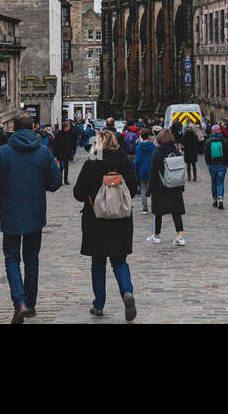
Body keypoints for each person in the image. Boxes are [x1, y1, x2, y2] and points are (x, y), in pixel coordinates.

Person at [0, 111, 62, 323]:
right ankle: (30, 303)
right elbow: (55, 183)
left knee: (11, 259)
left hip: (10, 212)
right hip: (35, 212)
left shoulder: (3, 152)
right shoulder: (43, 152)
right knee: (31, 259)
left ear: (14, 128)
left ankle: (20, 302)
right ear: (33, 127)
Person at [72, 128, 138, 320]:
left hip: (96, 220)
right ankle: (127, 292)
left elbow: (78, 194)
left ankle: (99, 304)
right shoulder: (125, 161)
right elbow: (133, 189)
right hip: (121, 219)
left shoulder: (92, 162)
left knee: (98, 262)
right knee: (119, 260)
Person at [146, 129, 186, 246]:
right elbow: (181, 170)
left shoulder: (157, 153)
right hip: (175, 186)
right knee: (176, 212)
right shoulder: (177, 152)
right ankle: (180, 235)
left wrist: (149, 190)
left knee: (158, 212)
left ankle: (156, 235)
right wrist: (181, 186)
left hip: (160, 187)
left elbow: (153, 173)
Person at [204, 124, 228, 208]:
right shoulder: (224, 141)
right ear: (219, 131)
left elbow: (206, 154)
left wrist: (208, 162)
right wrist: (227, 163)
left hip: (212, 165)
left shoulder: (209, 141)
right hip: (222, 164)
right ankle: (221, 199)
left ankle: (215, 200)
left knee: (213, 182)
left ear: (212, 131)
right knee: (220, 183)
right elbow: (227, 153)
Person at [133, 127, 156, 214]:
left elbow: (137, 161)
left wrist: (135, 170)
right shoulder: (153, 147)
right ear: (149, 136)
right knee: (153, 189)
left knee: (143, 189)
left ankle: (145, 206)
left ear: (141, 137)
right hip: (151, 170)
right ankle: (154, 206)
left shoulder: (138, 148)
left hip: (142, 170)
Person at [54, 120, 76, 185]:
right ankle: (59, 180)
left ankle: (66, 180)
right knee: (61, 167)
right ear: (65, 127)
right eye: (68, 126)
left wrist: (71, 151)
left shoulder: (69, 133)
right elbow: (56, 145)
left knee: (66, 167)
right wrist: (55, 154)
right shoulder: (59, 134)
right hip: (60, 153)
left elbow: (71, 142)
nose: (69, 128)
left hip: (67, 153)